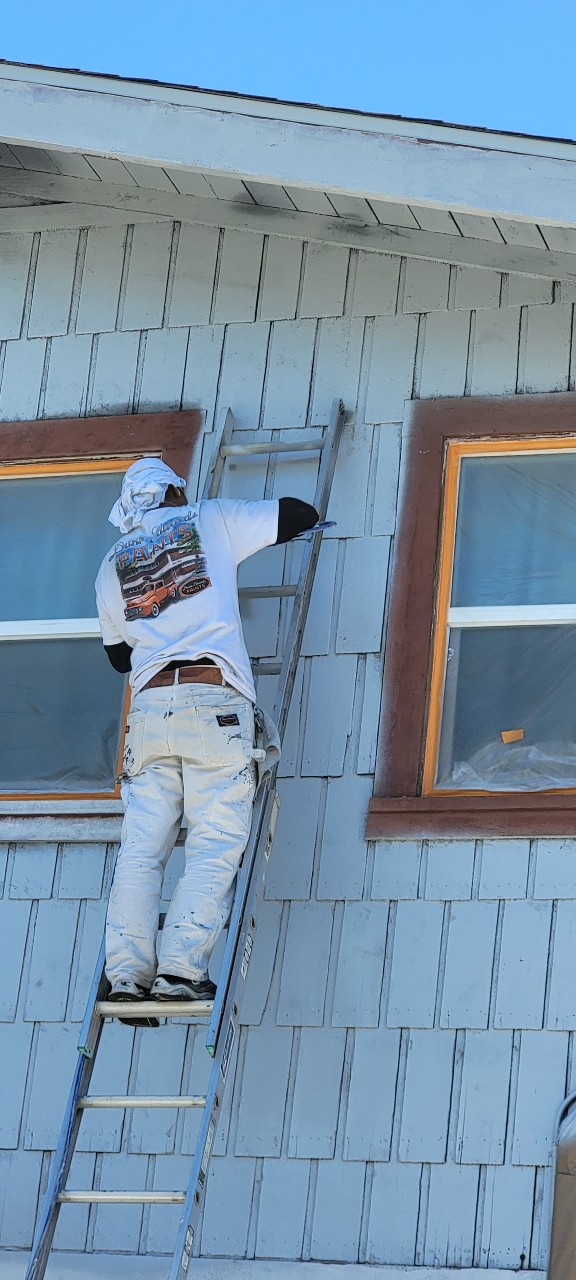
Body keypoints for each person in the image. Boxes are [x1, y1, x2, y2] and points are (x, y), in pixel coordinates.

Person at [95, 457, 318, 1025]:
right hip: (213, 700)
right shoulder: (209, 519)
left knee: (142, 851)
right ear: (175, 491)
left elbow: (119, 658)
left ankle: (127, 976)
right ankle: (179, 971)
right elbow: (299, 514)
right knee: (214, 842)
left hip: (149, 713)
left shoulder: (111, 565)